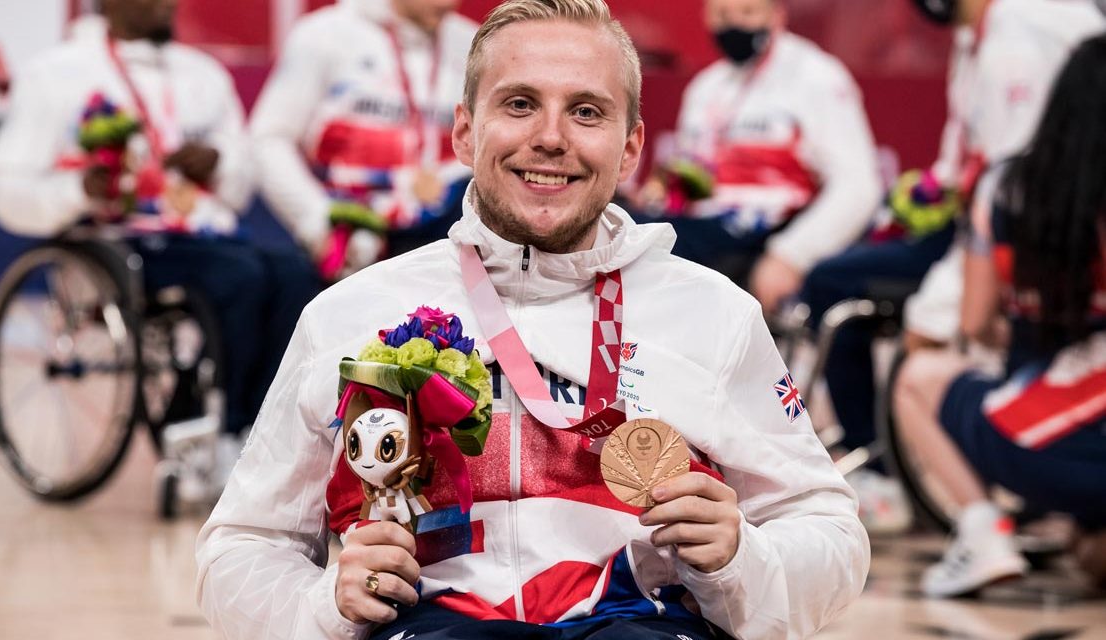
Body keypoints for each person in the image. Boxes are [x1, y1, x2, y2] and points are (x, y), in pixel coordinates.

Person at [196, 1, 869, 638]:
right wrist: (324, 608)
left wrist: (740, 558)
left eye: (586, 111)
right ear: (465, 130)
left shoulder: (713, 314)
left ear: (631, 147)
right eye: (520, 104)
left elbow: (829, 533)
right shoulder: (351, 314)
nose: (551, 138)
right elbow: (245, 546)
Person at [0, 0, 320, 488]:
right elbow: (1, 182)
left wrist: (217, 164)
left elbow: (240, 181)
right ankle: (219, 432)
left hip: (199, 232)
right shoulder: (55, 75)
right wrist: (78, 190)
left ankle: (254, 428)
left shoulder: (204, 75)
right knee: (239, 277)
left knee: (294, 272)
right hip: (114, 238)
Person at [796, 0, 1106, 533]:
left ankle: (965, 515)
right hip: (1026, 238)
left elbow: (1010, 190)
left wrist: (936, 319)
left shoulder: (1025, 35)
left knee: (914, 352)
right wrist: (925, 196)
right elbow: (972, 170)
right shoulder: (981, 37)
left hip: (1041, 247)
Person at [893, 33, 1106, 598]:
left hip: (1040, 442)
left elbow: (974, 320)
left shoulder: (1005, 188)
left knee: (917, 378)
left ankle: (985, 536)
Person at [637, 0, 880, 315]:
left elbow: (858, 187)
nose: (735, 25)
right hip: (704, 226)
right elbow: (690, 177)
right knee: (625, 225)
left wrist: (790, 255)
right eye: (723, 15)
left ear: (777, 16)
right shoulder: (705, 88)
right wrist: (660, 194)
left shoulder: (817, 77)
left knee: (643, 245)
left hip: (763, 231)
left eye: (748, 13)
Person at [251, 0, 478, 280]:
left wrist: (449, 179)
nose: (448, 3)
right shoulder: (324, 34)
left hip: (444, 228)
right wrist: (317, 219)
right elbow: (268, 138)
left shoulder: (474, 43)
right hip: (350, 230)